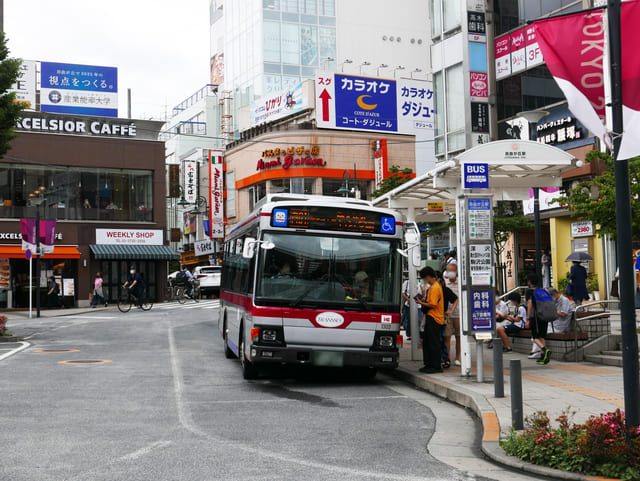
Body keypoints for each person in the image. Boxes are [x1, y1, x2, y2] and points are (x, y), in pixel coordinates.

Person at [416, 266, 444, 374]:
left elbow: (432, 304)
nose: (424, 280)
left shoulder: (435, 287)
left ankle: (436, 365)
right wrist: (423, 299)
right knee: (427, 342)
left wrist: (421, 303)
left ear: (428, 277)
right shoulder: (432, 287)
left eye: (424, 278)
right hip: (431, 317)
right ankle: (429, 364)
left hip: (435, 318)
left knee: (433, 343)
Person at [526, 274, 552, 364]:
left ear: (529, 282)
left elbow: (530, 304)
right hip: (544, 316)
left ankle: (544, 350)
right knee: (542, 336)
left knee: (535, 336)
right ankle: (543, 357)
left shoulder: (530, 292)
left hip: (535, 317)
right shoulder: (543, 290)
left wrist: (528, 318)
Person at [443, 263, 461, 366]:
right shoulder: (445, 284)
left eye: (452, 270)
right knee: (447, 337)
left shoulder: (460, 284)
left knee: (459, 337)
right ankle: (447, 358)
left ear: (456, 271)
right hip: (448, 314)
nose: (450, 273)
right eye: (448, 270)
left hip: (459, 314)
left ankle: (458, 358)